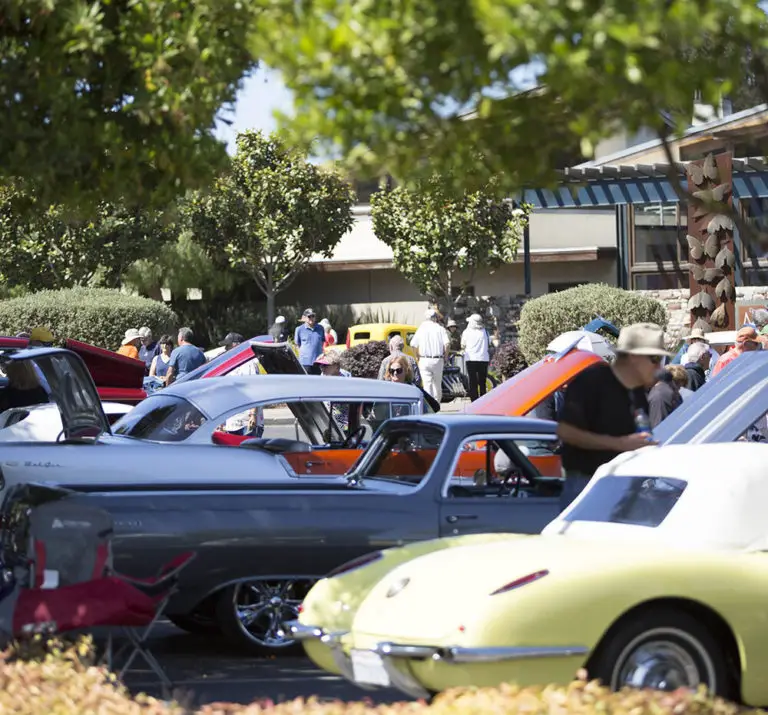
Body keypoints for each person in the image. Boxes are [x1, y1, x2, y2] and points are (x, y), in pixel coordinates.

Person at [557, 323, 669, 512]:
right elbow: (566, 432)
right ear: (634, 357)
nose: (659, 367)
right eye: (655, 359)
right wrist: (620, 443)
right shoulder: (592, 381)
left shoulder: (638, 392)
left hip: (622, 488)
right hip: (586, 488)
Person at [409, 308, 450, 402]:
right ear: (435, 317)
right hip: (438, 359)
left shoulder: (421, 328)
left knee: (427, 385)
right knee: (437, 384)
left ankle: (430, 405)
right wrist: (446, 356)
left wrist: (417, 355)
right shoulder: (440, 328)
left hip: (424, 360)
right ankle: (437, 404)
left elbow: (413, 344)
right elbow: (447, 344)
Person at [461, 313, 490, 402]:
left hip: (471, 359)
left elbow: (462, 345)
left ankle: (474, 400)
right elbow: (488, 344)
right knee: (482, 381)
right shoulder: (485, 331)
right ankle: (483, 399)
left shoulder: (466, 332)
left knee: (472, 381)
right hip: (483, 359)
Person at [295, 308, 325, 374]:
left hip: (318, 361)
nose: (311, 318)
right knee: (305, 382)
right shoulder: (299, 329)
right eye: (309, 316)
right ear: (305, 318)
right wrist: (303, 355)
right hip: (305, 362)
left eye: (313, 316)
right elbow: (297, 345)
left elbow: (323, 342)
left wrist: (321, 353)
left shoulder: (321, 328)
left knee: (317, 382)